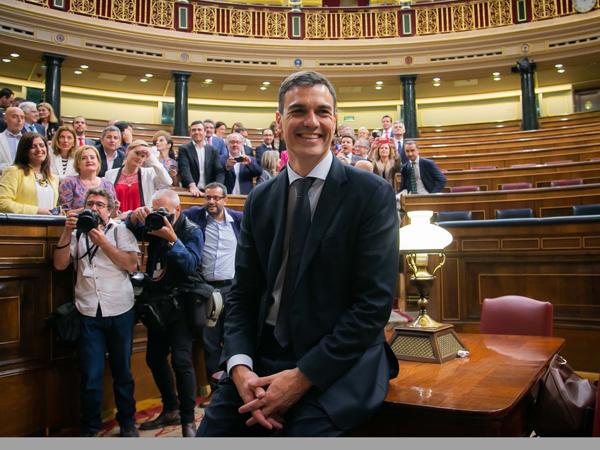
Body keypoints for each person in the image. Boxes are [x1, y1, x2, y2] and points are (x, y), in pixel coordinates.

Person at [197, 70, 399, 437]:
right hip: (263, 355)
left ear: (334, 121)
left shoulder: (370, 195)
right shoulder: (261, 198)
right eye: (298, 111)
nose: (312, 122)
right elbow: (243, 294)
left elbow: (373, 305)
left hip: (337, 362)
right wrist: (239, 365)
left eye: (323, 111)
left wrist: (303, 376)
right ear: (279, 121)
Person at [53, 188, 140, 437]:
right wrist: (68, 230)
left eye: (100, 204)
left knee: (122, 371)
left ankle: (128, 423)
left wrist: (101, 239)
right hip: (88, 311)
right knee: (90, 376)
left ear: (111, 209)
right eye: (90, 203)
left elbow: (131, 264)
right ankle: (90, 428)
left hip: (120, 310)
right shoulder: (77, 233)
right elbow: (60, 265)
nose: (95, 208)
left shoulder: (120, 230)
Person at [126, 189, 204, 438]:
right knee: (154, 357)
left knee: (181, 361)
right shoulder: (153, 224)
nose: (160, 217)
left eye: (165, 213)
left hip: (182, 303)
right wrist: (133, 216)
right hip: (158, 303)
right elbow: (131, 228)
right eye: (156, 210)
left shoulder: (192, 230)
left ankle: (188, 421)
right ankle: (170, 407)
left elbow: (191, 263)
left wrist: (172, 240)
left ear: (177, 210)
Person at [183, 182, 243, 394]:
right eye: (208, 197)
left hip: (233, 289)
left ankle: (235, 385)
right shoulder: (194, 217)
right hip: (207, 290)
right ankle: (218, 389)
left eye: (216, 198)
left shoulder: (238, 220)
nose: (211, 202)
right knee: (209, 340)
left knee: (233, 337)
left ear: (225, 200)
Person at [104, 140, 171, 216]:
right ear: (128, 151)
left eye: (143, 156)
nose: (139, 158)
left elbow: (167, 182)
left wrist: (151, 158)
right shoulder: (110, 174)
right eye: (137, 153)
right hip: (116, 220)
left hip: (141, 220)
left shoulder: (149, 173)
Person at [0, 132, 59, 214]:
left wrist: (64, 213)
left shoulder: (52, 177)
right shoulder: (13, 172)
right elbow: (2, 203)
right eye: (33, 147)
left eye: (42, 146)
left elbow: (51, 209)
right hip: (22, 225)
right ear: (24, 151)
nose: (39, 150)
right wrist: (37, 211)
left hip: (48, 226)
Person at [58, 145, 116, 212]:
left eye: (92, 157)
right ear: (77, 164)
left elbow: (111, 212)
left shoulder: (108, 185)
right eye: (83, 158)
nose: (89, 160)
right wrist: (89, 209)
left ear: (98, 162)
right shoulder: (69, 182)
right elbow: (64, 212)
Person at [178, 121, 224, 197]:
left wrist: (217, 187)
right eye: (193, 130)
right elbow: (184, 169)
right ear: (190, 133)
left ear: (205, 132)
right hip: (190, 191)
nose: (196, 132)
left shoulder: (213, 150)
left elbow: (219, 171)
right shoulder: (184, 149)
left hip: (210, 192)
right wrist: (192, 185)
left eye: (199, 130)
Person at [0, 106, 25, 173]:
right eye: (14, 117)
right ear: (5, 119)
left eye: (22, 117)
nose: (19, 120)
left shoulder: (29, 141)